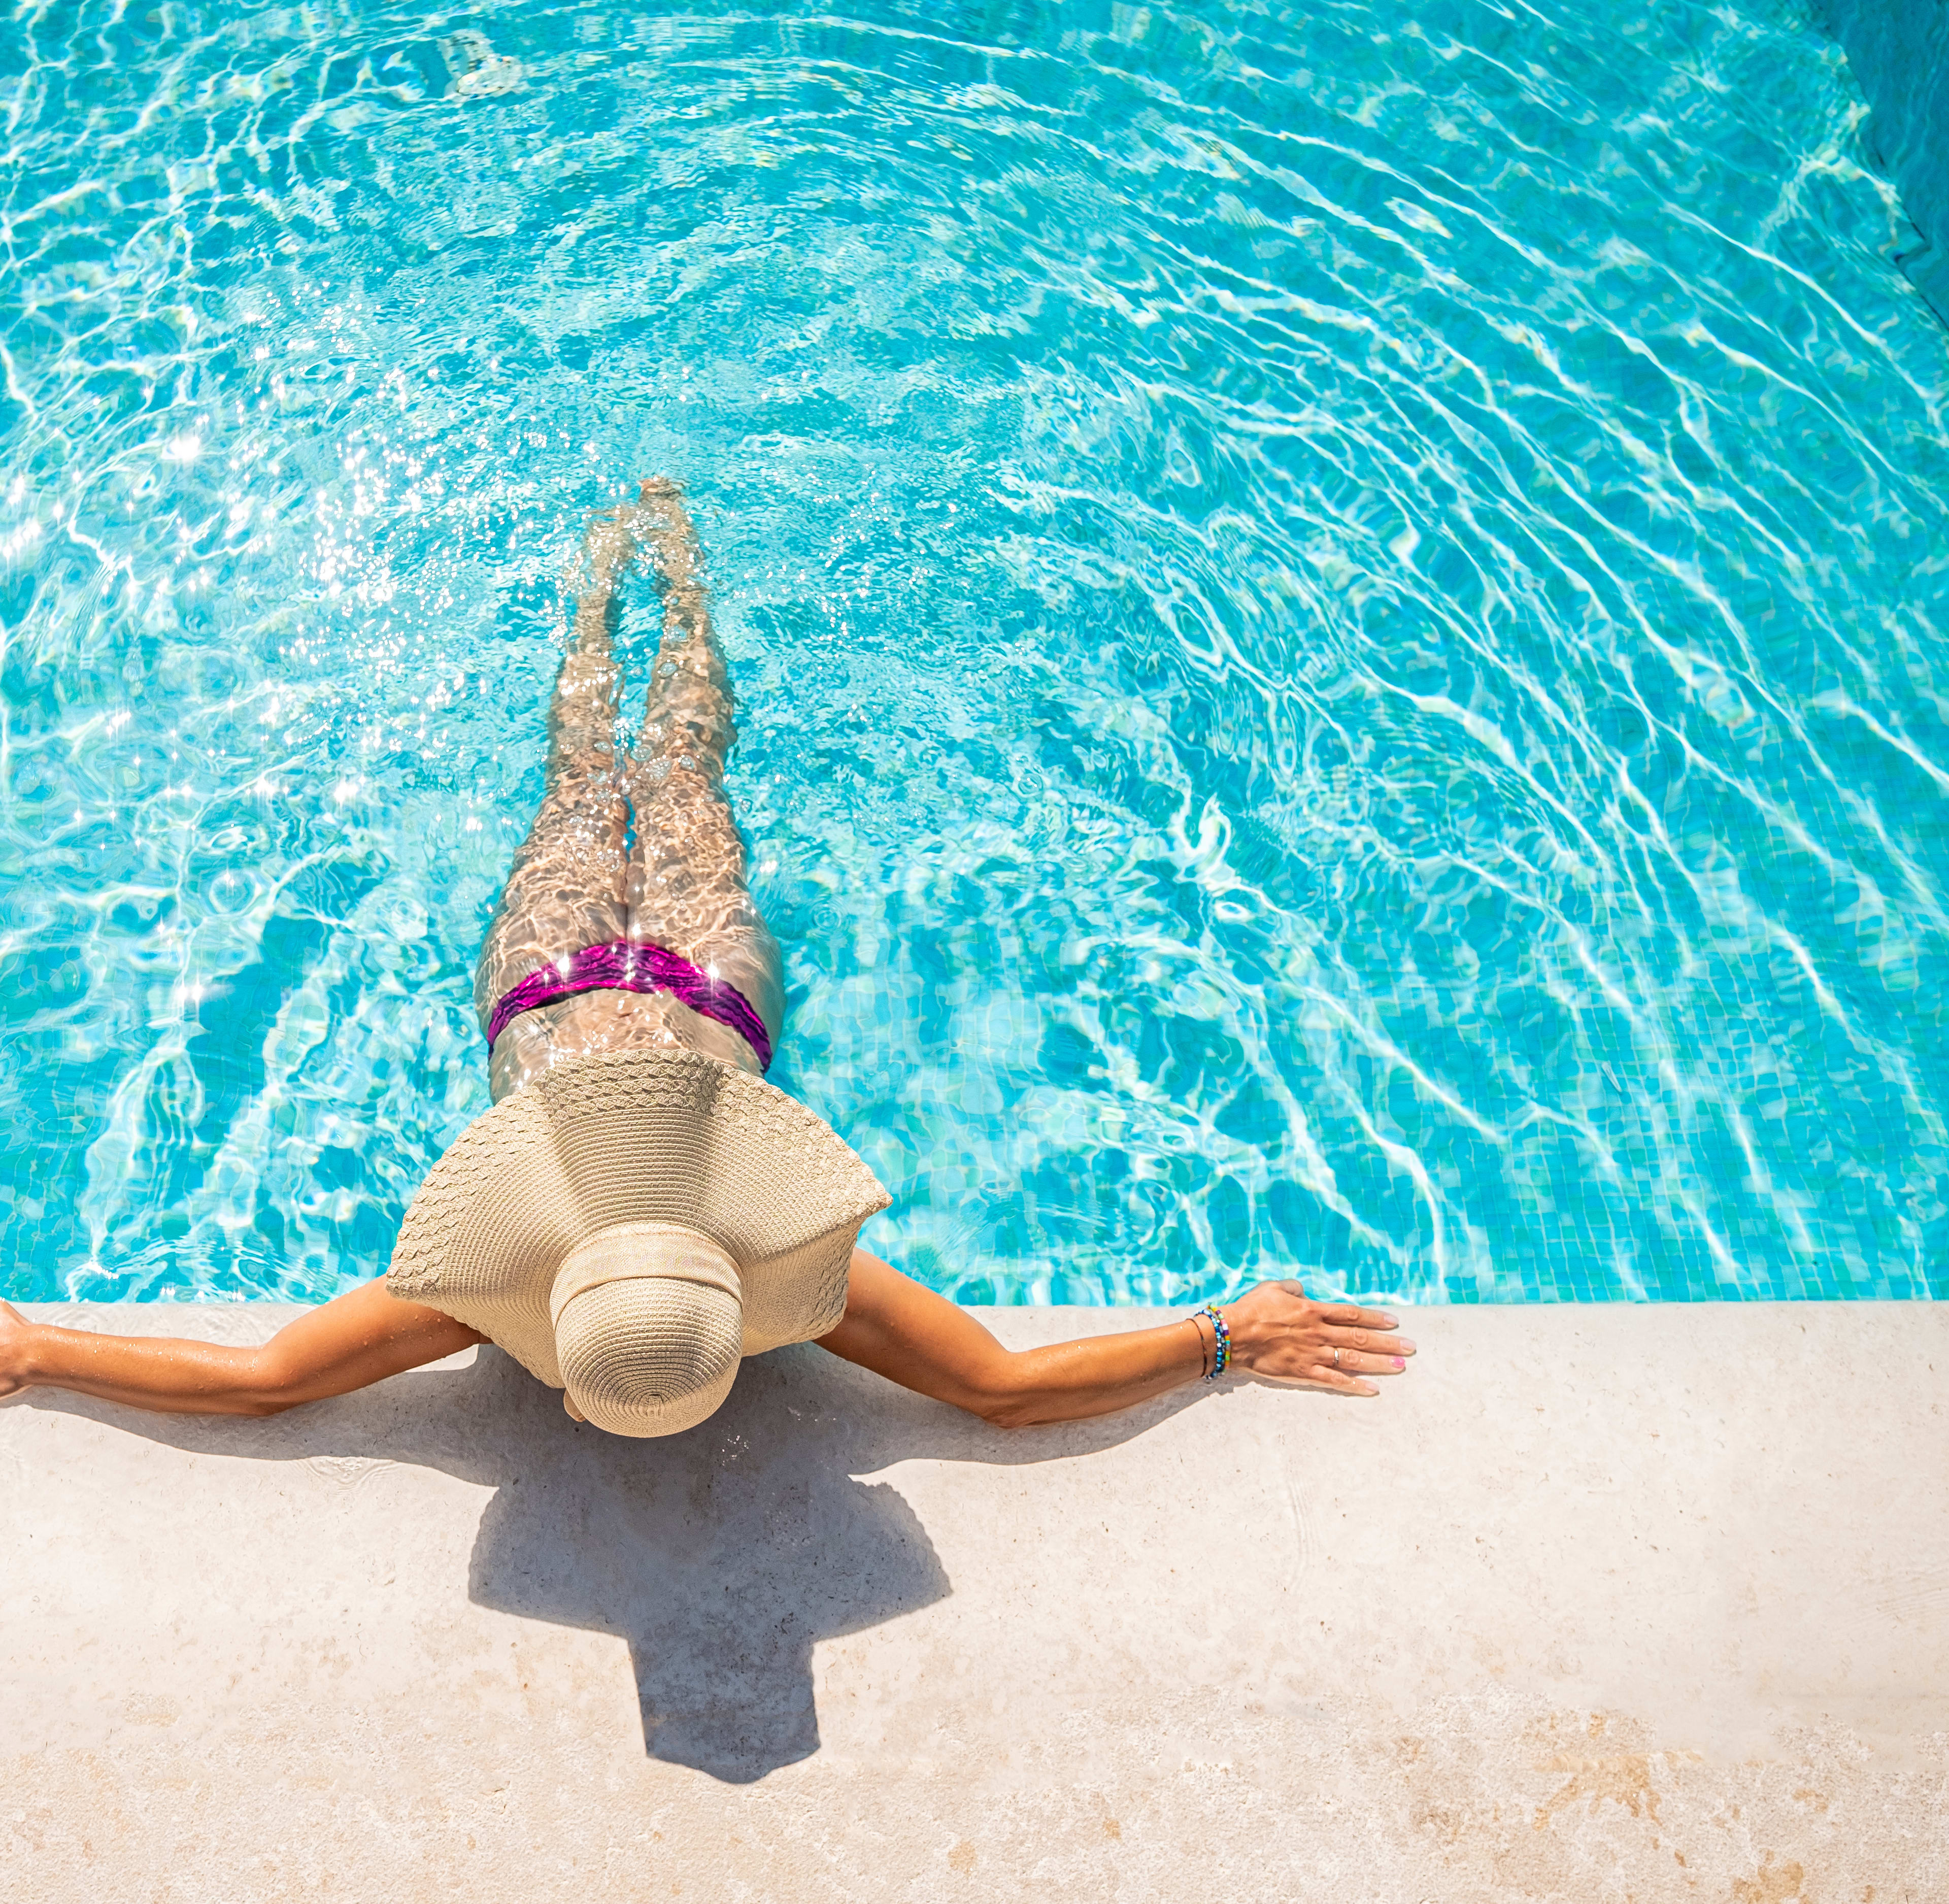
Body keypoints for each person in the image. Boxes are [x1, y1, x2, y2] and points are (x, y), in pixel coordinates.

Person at [0, 483, 1414, 1430]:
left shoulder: (498, 1296)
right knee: (645, 775)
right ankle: (660, 588)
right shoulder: (772, 1269)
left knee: (631, 775)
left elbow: (263, 1381)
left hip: (688, 987)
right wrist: (1226, 1337)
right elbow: (997, 1388)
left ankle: (630, 588)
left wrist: (45, 1345)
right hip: (568, 990)